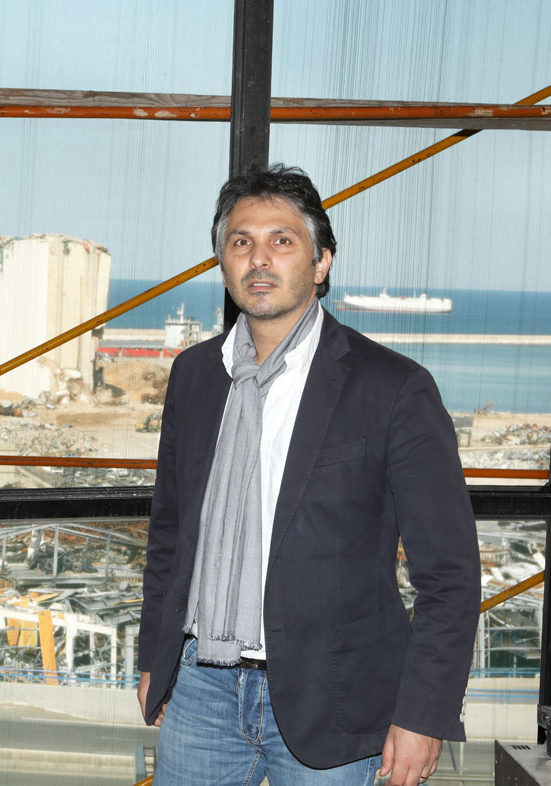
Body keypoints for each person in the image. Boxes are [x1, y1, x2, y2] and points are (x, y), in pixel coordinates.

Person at [137, 165, 479, 786]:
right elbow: (169, 533)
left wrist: (423, 714)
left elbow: (449, 575)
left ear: (321, 263)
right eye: (241, 242)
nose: (259, 259)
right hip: (199, 691)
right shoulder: (194, 376)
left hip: (337, 699)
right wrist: (152, 659)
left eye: (282, 240)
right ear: (223, 264)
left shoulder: (393, 387)